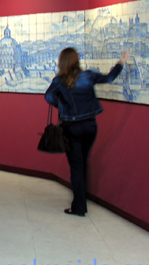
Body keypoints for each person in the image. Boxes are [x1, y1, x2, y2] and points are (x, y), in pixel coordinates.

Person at [45, 48, 128, 216]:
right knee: (83, 163)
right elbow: (109, 78)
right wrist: (120, 63)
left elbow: (49, 97)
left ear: (62, 62)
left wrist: (62, 106)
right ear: (77, 61)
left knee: (76, 166)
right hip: (90, 126)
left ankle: (79, 207)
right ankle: (81, 202)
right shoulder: (88, 76)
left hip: (71, 127)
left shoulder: (59, 81)